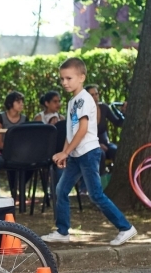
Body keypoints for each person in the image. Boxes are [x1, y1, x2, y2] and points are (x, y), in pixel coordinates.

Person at [42, 57, 137, 246]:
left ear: (81, 77)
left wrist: (66, 153)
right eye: (62, 79)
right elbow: (71, 131)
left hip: (88, 153)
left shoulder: (85, 99)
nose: (64, 82)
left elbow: (83, 129)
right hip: (76, 155)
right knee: (61, 190)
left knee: (95, 195)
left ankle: (126, 228)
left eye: (69, 78)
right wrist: (64, 153)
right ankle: (62, 231)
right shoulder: (72, 102)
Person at [84, 84, 125, 175]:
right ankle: (100, 182)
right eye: (92, 95)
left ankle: (117, 178)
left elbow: (118, 123)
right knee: (100, 154)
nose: (95, 97)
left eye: (96, 94)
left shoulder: (103, 107)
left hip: (105, 142)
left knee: (116, 151)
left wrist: (123, 112)